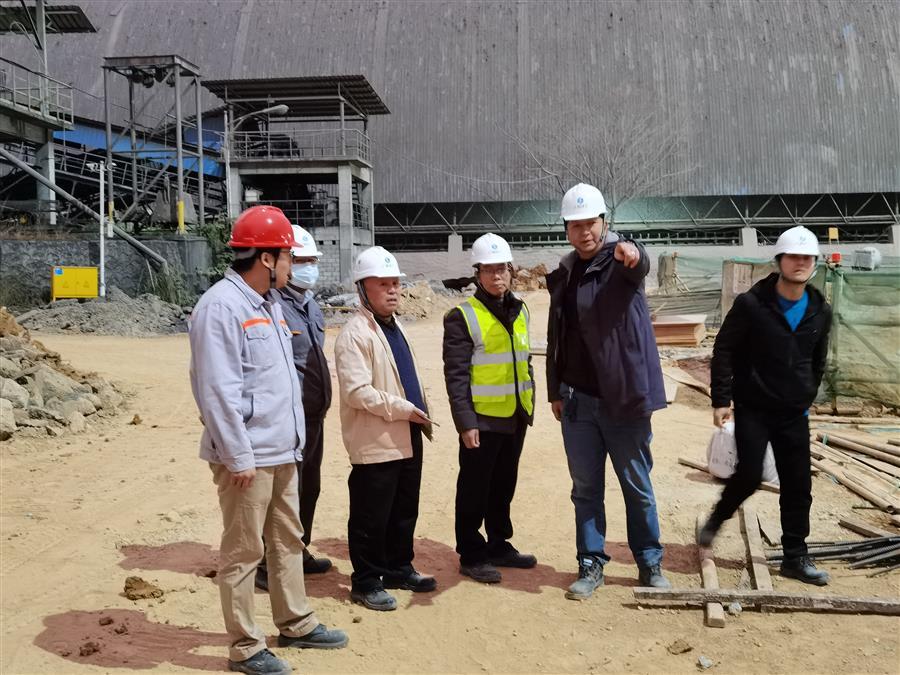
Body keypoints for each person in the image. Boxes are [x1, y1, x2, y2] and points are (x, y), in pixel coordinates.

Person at [189, 205, 347, 675]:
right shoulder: (221, 307)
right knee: (244, 551)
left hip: (281, 450)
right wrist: (237, 457)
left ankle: (295, 622)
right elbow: (217, 391)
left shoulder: (270, 304)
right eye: (288, 257)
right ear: (265, 258)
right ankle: (245, 646)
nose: (292, 266)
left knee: (287, 540)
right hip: (248, 458)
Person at [546, 183, 670, 600]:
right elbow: (557, 336)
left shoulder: (620, 261)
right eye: (575, 225)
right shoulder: (565, 274)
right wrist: (555, 389)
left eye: (591, 223)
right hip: (578, 401)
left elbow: (639, 262)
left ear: (604, 222)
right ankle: (590, 562)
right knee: (585, 489)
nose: (585, 232)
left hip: (624, 401)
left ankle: (649, 562)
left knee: (637, 485)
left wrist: (634, 252)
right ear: (566, 229)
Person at [699, 226, 832, 586]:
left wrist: (806, 393)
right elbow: (724, 349)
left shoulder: (820, 309)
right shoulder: (752, 304)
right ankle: (717, 518)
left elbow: (818, 359)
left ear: (814, 263)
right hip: (754, 408)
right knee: (748, 475)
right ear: (780, 261)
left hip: (793, 413)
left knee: (798, 484)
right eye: (793, 257)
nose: (800, 263)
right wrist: (721, 399)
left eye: (807, 258)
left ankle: (795, 556)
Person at [334, 246, 436, 611]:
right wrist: (404, 408)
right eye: (383, 284)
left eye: (396, 283)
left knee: (403, 509)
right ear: (363, 288)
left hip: (407, 432)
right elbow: (356, 392)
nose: (393, 290)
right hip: (377, 439)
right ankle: (366, 581)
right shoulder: (354, 334)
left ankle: (398, 568)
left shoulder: (394, 326)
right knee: (371, 515)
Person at [442, 233, 537, 584]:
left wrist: (529, 399)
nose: (497, 276)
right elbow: (456, 376)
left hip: (514, 414)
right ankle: (471, 553)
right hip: (481, 420)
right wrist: (466, 422)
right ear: (477, 273)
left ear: (511, 270)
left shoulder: (521, 309)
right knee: (474, 488)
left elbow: (524, 360)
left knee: (503, 484)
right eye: (488, 270)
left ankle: (499, 544)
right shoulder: (462, 316)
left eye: (502, 269)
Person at [255, 225, 333, 593]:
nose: (309, 268)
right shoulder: (272, 306)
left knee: (309, 487)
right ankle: (268, 564)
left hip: (314, 415)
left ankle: (298, 551)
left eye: (313, 261)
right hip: (288, 419)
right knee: (282, 493)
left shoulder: (310, 305)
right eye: (302, 261)